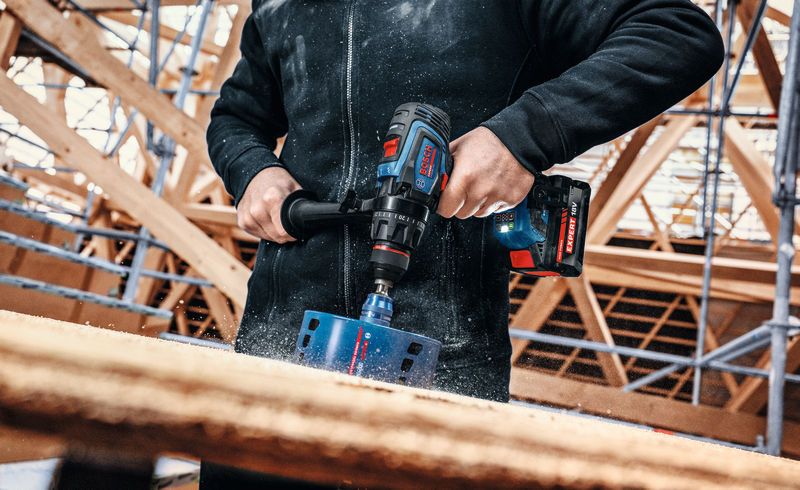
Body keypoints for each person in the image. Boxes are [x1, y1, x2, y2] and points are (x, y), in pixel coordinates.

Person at [201, 0, 723, 486]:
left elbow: (676, 35)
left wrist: (519, 138)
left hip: (443, 358)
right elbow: (236, 116)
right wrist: (253, 171)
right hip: (275, 342)